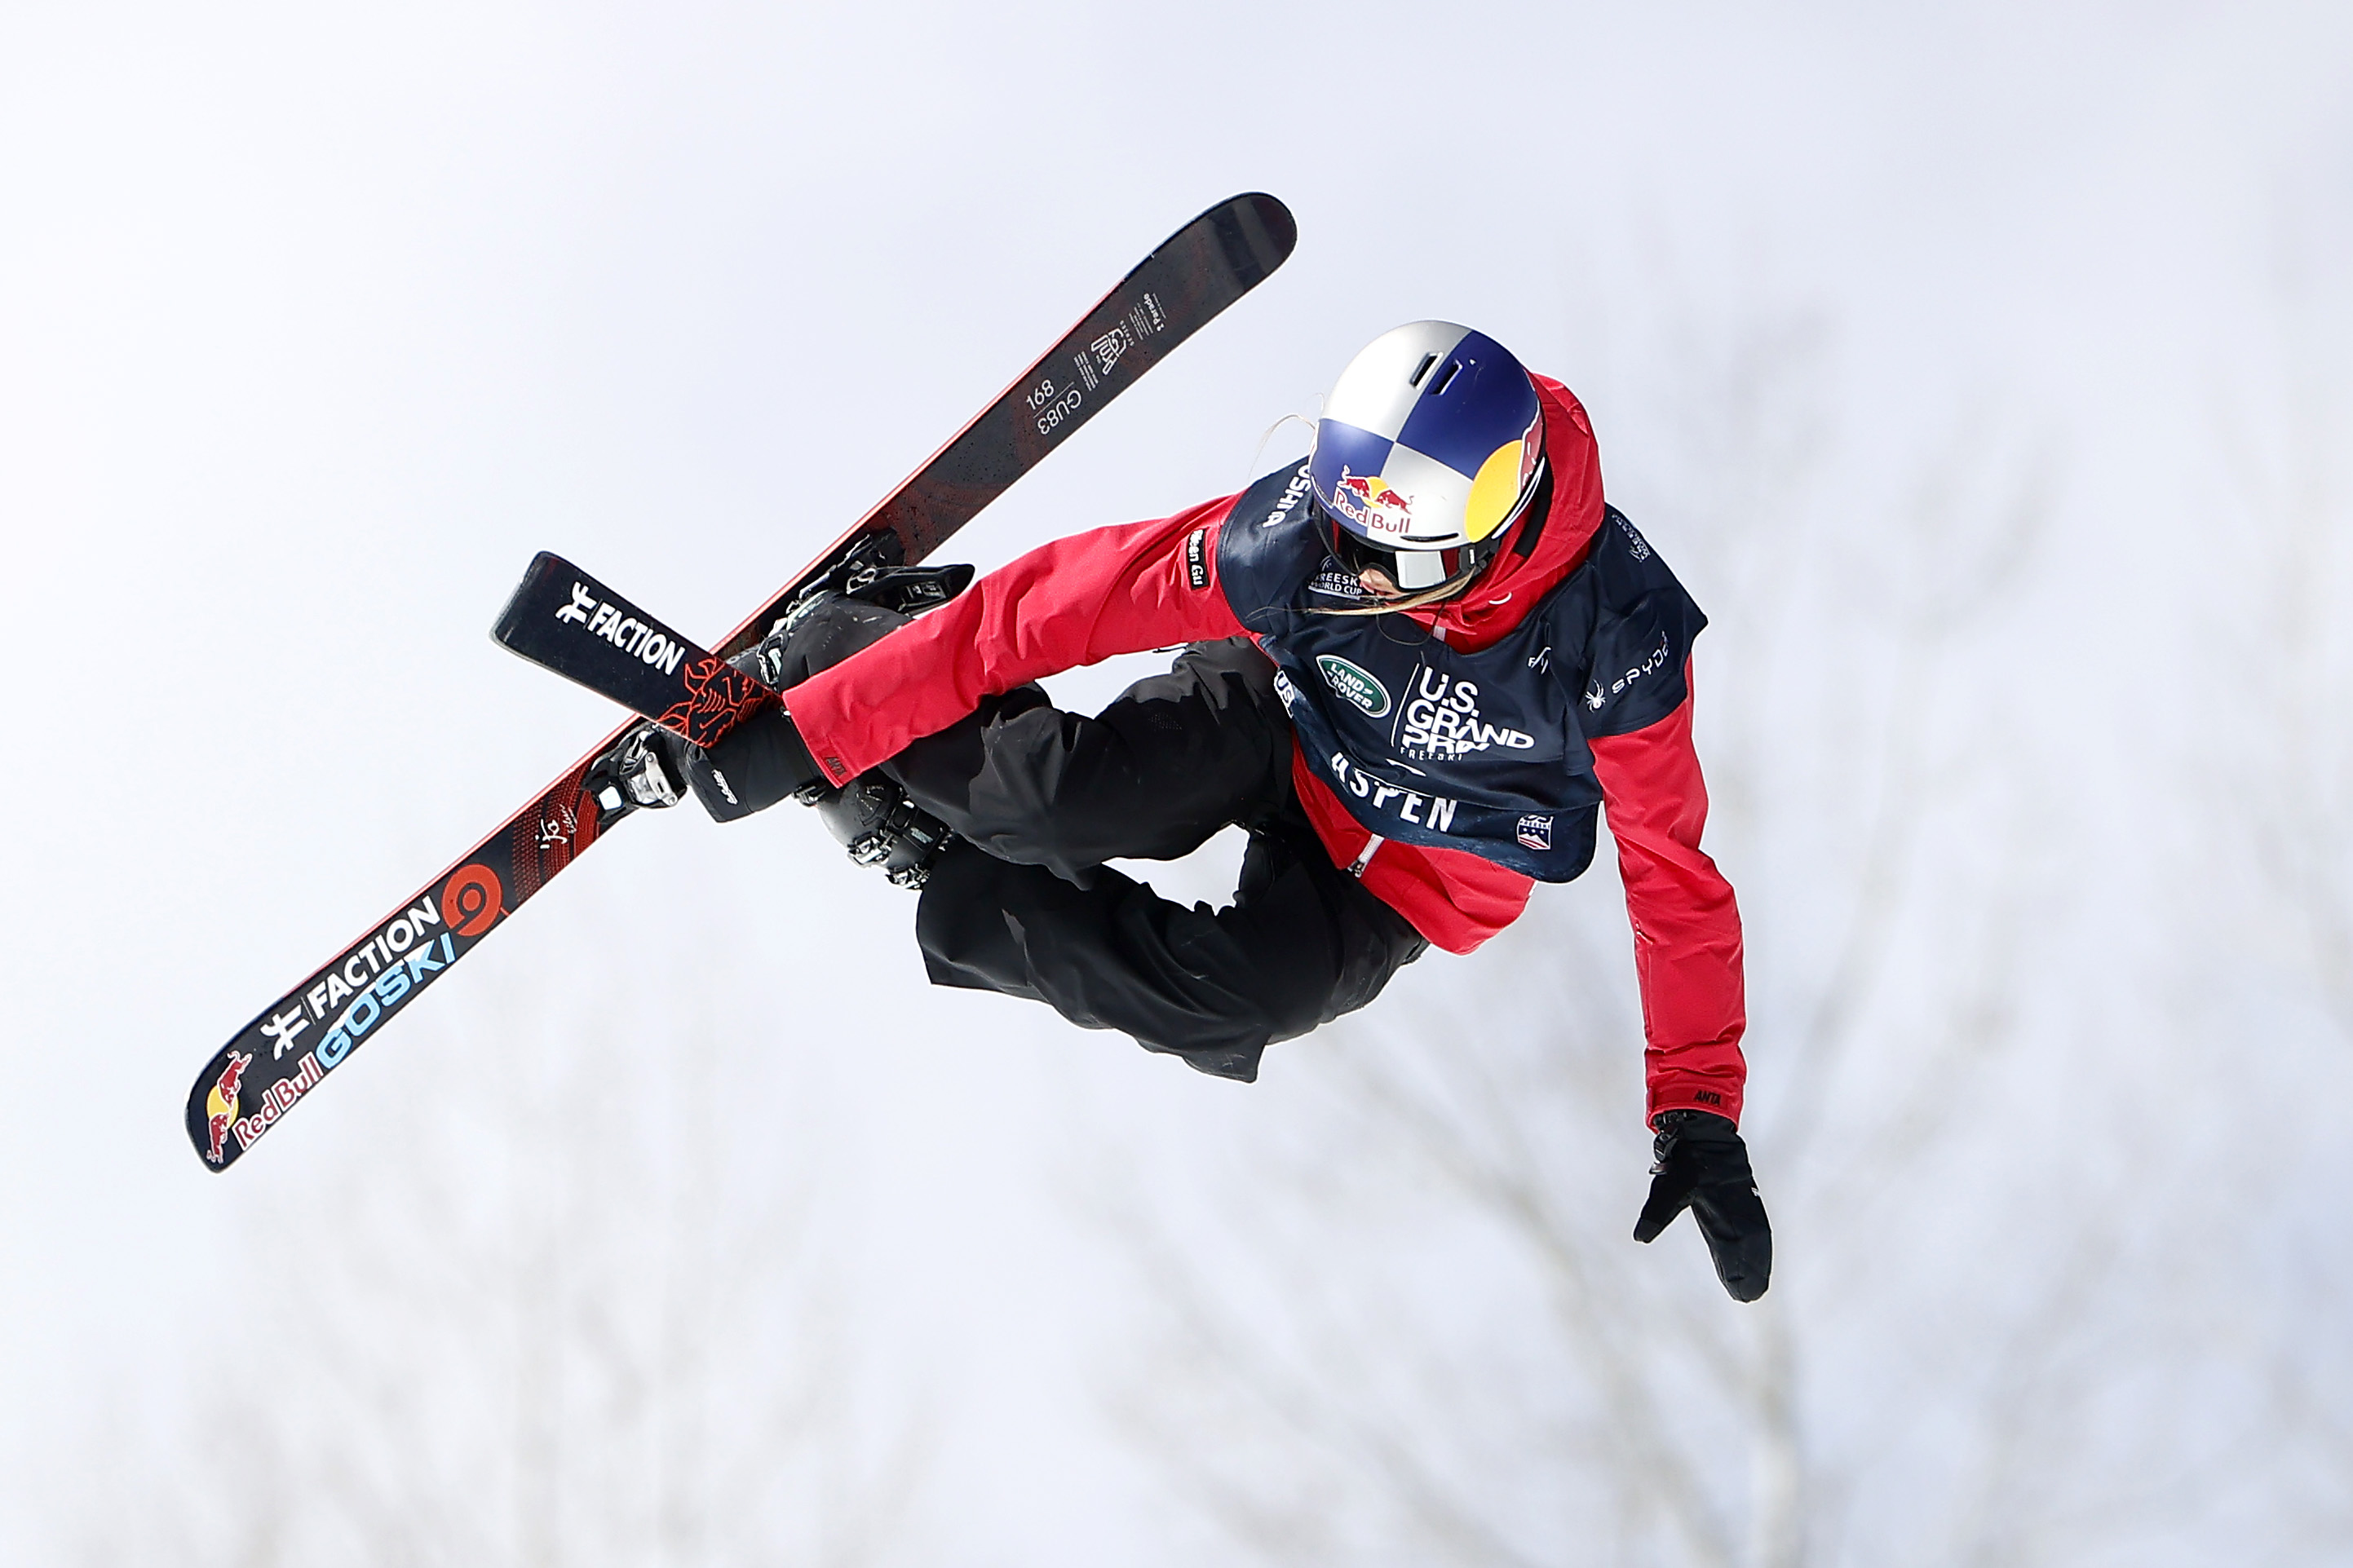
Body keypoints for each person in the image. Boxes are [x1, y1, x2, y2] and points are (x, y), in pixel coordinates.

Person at [609, 322, 1771, 1301]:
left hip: (1402, 873)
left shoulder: (1618, 650)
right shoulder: (1300, 544)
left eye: (1393, 567)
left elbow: (1673, 880)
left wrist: (1697, 1110)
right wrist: (819, 715)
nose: (1357, 575)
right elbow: (1059, 607)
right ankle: (855, 648)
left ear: (1495, 531)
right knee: (1067, 800)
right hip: (1283, 712)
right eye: (1346, 537)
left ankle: (918, 841)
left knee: (1233, 1007)